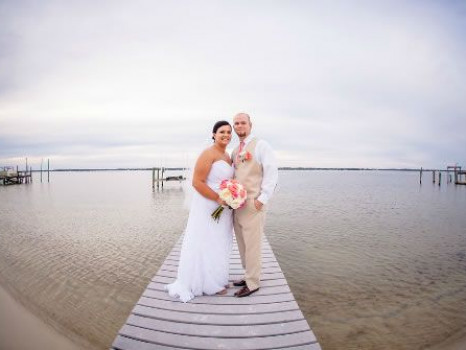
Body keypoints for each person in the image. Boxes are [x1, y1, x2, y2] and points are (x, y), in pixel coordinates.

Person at [166, 121, 234, 302]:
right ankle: (207, 284)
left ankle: (217, 279)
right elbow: (197, 182)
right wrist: (217, 198)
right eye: (222, 132)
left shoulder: (227, 156)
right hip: (208, 204)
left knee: (220, 241)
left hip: (224, 206)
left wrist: (231, 196)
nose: (226, 135)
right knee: (206, 241)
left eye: (229, 132)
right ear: (213, 134)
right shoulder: (208, 153)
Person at [231, 112, 278, 297]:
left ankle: (253, 283)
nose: (239, 126)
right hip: (237, 205)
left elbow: (271, 172)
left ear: (250, 125)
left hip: (253, 204)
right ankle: (247, 274)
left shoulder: (261, 145)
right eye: (236, 123)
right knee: (242, 244)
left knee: (253, 245)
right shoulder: (235, 150)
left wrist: (262, 199)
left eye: (243, 123)